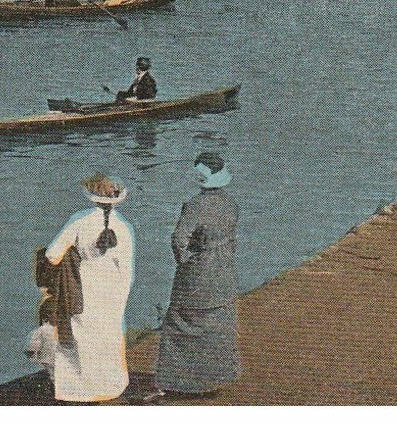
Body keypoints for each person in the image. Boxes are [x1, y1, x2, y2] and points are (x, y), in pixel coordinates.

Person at [28, 175, 135, 403]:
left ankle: (80, 388)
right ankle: (110, 385)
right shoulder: (124, 228)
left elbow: (52, 254)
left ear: (91, 196)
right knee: (109, 335)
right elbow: (127, 268)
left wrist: (73, 254)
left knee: (81, 336)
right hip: (113, 290)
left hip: (83, 285)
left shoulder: (79, 220)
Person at [154, 153, 241, 396]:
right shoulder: (230, 203)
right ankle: (215, 380)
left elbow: (179, 240)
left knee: (180, 324)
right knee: (218, 326)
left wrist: (187, 259)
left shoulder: (195, 205)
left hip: (198, 274)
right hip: (224, 272)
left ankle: (179, 384)